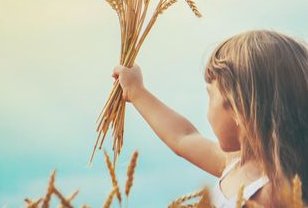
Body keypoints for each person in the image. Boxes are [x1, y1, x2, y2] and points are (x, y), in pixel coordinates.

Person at [112, 29, 308, 207]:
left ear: (238, 108)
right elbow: (183, 137)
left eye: (211, 95)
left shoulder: (272, 195)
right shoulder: (233, 163)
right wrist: (136, 92)